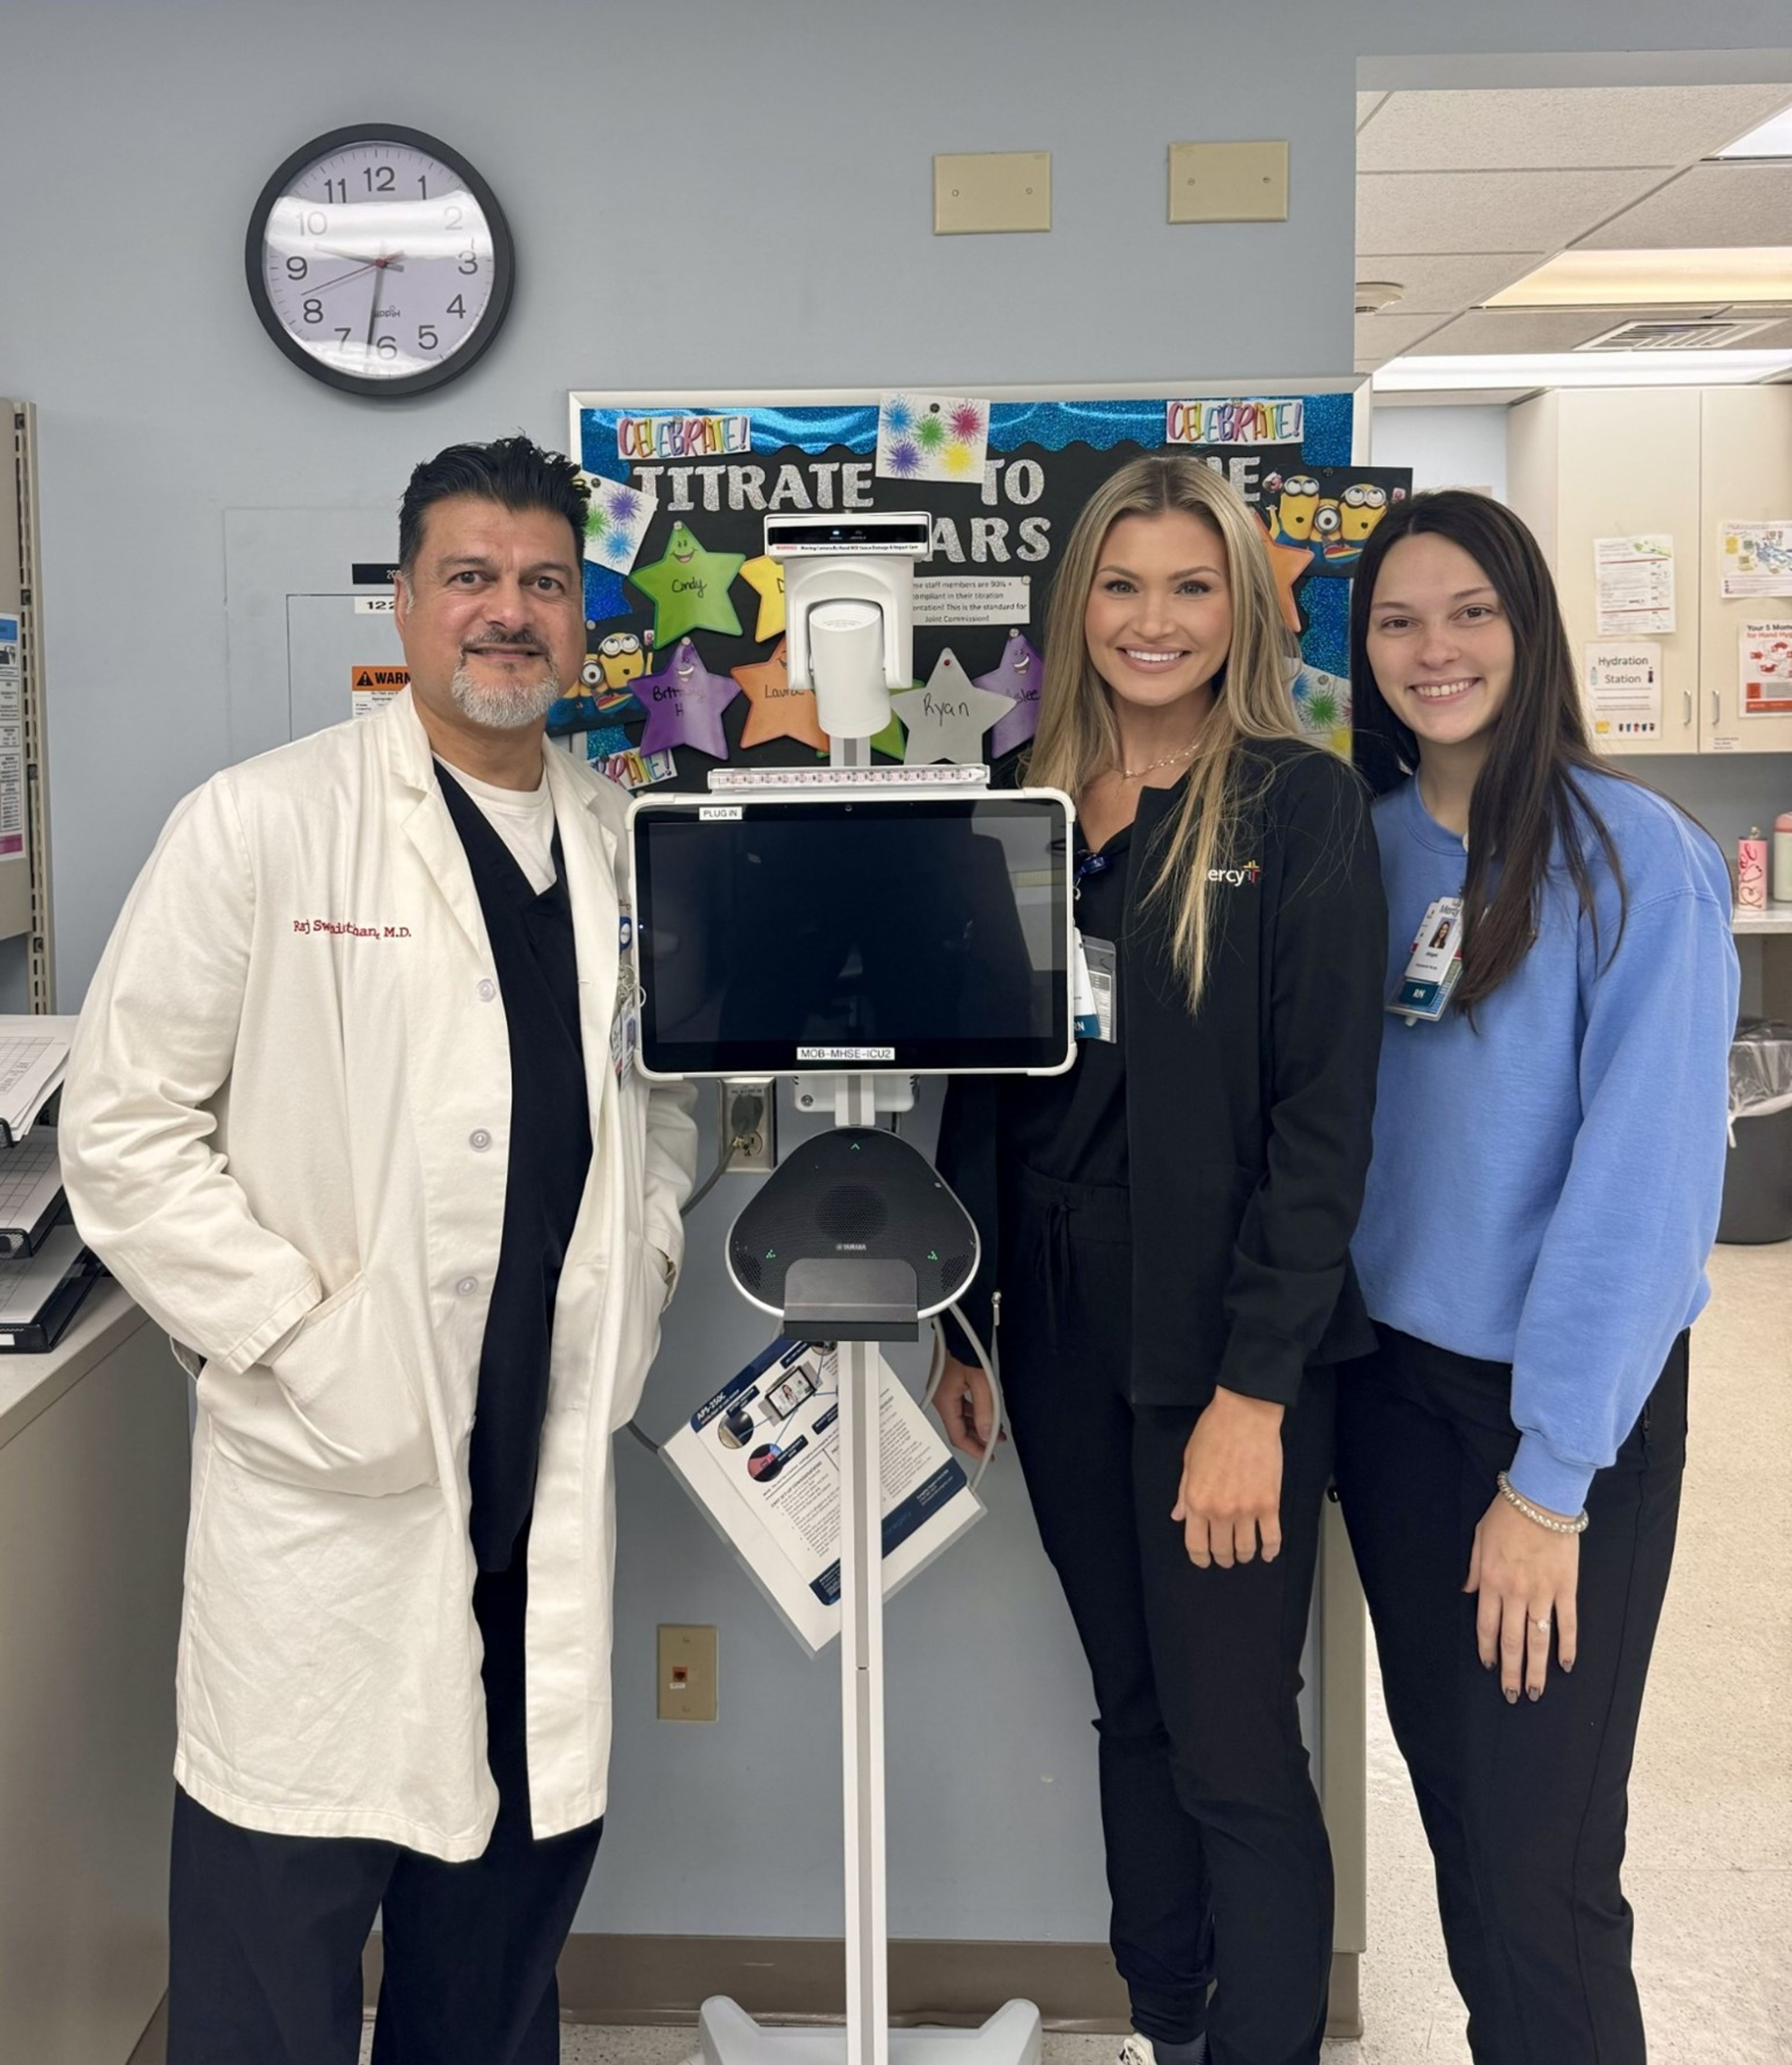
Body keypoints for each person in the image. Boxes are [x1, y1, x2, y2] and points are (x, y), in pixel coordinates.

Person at [60, 436, 698, 2065]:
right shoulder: (263, 825)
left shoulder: (621, 842)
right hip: (333, 1485)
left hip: (535, 1488)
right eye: (470, 578)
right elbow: (123, 1132)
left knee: (490, 1974)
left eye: (543, 583)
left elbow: (666, 1113)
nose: (507, 613)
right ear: (404, 601)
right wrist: (298, 1337)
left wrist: (643, 1272)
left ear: (579, 625)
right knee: (271, 1973)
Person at [931, 455, 1386, 2065]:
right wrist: (958, 1324)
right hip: (1051, 1323)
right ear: (1077, 606)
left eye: (1194, 587)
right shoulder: (1025, 788)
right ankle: (1167, 2020)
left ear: (1244, 611)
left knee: (1233, 1740)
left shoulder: (1297, 805)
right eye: (1122, 586)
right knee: (1134, 1706)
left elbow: (1326, 1126)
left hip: (1226, 1338)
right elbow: (978, 1082)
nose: (1155, 620)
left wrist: (1255, 1392)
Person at [1339, 490, 1738, 2065]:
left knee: (1546, 1872)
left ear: (1531, 628)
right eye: (1398, 621)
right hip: (1390, 1403)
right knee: (1466, 1838)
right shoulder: (1353, 850)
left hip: (1558, 1428)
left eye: (1470, 613)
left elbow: (1643, 1196)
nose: (1435, 650)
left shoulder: (1636, 857)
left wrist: (1553, 1480)